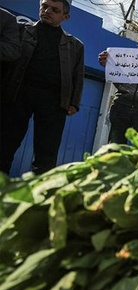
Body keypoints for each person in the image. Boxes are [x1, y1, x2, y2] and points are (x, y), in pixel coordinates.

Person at [0, 0, 84, 175]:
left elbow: (78, 76)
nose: (47, 11)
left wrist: (74, 103)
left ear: (65, 16)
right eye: (44, 6)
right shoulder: (20, 29)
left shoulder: (75, 45)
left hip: (53, 102)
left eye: (55, 10)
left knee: (47, 154)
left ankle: (40, 196)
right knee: (4, 145)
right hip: (18, 94)